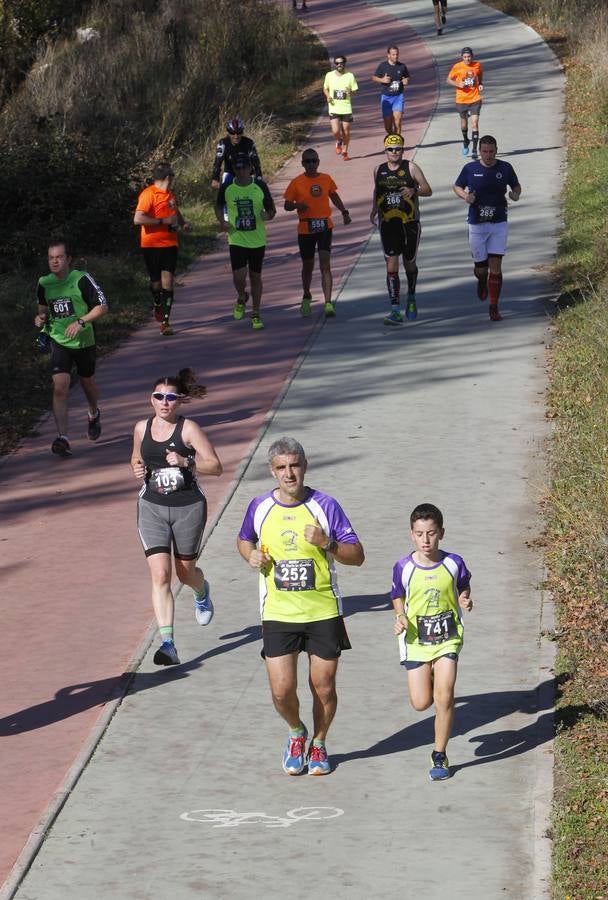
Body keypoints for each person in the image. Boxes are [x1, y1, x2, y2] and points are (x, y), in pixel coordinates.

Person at [237, 436, 365, 776]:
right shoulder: (259, 507)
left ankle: (319, 742)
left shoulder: (326, 506)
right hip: (278, 612)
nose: (289, 473)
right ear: (272, 471)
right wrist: (250, 554)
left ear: (305, 466)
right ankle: (297, 732)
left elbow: (357, 556)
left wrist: (327, 542)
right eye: (281, 467)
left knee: (323, 687)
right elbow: (244, 538)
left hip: (323, 611)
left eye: (294, 465)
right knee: (281, 691)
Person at [131, 368, 223, 666]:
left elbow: (216, 467)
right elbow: (136, 458)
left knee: (185, 573)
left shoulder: (189, 429)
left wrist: (187, 461)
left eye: (170, 398)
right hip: (152, 507)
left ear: (179, 401)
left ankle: (201, 590)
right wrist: (136, 467)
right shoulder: (141, 428)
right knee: (161, 575)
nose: (164, 402)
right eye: (159, 396)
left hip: (188, 507)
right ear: (151, 399)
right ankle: (168, 644)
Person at [391, 503, 473, 781]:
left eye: (431, 533)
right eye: (419, 534)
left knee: (444, 696)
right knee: (420, 702)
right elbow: (397, 595)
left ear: (442, 533)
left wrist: (464, 598)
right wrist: (400, 616)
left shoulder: (454, 563)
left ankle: (440, 754)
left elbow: (463, 585)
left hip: (448, 638)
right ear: (411, 535)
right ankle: (431, 673)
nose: (425, 540)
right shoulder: (403, 567)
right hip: (417, 640)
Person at [35, 240, 108, 458]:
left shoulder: (81, 279)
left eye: (59, 257)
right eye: (51, 258)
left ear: (68, 259)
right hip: (59, 340)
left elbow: (103, 306)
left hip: (84, 341)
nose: (55, 261)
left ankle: (93, 413)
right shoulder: (44, 283)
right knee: (59, 387)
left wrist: (82, 322)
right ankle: (63, 438)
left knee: (87, 382)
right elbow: (43, 309)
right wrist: (40, 318)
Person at [453, 134, 521, 321]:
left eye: (491, 151)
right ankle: (482, 280)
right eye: (485, 151)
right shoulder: (470, 168)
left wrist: (515, 194)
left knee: (496, 266)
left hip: (499, 222)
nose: (488, 155)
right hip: (477, 224)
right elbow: (457, 186)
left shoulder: (505, 168)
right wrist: (465, 196)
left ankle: (494, 306)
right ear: (479, 151)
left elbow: (516, 186)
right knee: (481, 269)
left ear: (496, 151)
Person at [370, 133, 432, 325]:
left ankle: (411, 297)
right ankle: (395, 309)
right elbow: (377, 191)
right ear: (385, 151)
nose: (394, 152)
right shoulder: (378, 170)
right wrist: (374, 209)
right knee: (391, 263)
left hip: (410, 223)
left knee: (409, 263)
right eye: (390, 149)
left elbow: (427, 190)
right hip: (388, 223)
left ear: (403, 150)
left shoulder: (411, 168)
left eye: (398, 149)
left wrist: (414, 190)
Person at [283, 149, 351, 319]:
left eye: (314, 161)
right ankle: (306, 295)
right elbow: (287, 205)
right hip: (305, 228)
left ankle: (328, 303)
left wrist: (344, 212)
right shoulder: (296, 182)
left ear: (318, 162)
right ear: (303, 164)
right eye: (308, 161)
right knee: (308, 266)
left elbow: (333, 195)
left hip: (324, 226)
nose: (311, 164)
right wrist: (297, 206)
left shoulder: (326, 179)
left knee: (325, 264)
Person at [215, 153, 277, 330]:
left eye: (244, 167)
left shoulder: (260, 185)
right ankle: (242, 296)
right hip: (237, 238)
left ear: (250, 168)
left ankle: (256, 313)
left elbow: (272, 210)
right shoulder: (227, 187)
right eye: (238, 168)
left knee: (255, 276)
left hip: (257, 240)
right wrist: (222, 221)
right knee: (239, 276)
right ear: (234, 169)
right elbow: (218, 206)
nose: (241, 171)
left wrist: (267, 215)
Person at [133, 162, 192, 336]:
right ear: (168, 178)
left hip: (170, 244)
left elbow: (175, 211)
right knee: (156, 283)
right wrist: (162, 222)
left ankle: (165, 323)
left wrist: (183, 223)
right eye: (172, 176)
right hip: (151, 245)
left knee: (168, 281)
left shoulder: (170, 195)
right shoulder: (148, 194)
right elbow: (138, 219)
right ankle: (157, 303)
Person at [447, 47, 484, 159]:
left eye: (469, 57)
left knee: (474, 123)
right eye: (465, 57)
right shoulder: (457, 67)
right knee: (464, 123)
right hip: (461, 100)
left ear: (472, 56)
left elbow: (480, 74)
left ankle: (474, 150)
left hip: (475, 98)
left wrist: (480, 83)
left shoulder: (477, 65)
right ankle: (465, 140)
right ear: (462, 57)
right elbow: (448, 80)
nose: (467, 59)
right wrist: (458, 84)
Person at [211, 117, 262, 190]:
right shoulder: (223, 143)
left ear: (242, 132)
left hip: (247, 174)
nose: (236, 136)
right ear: (228, 133)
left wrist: (259, 177)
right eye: (232, 133)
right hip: (230, 173)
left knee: (255, 193)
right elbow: (218, 162)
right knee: (225, 192)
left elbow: (255, 161)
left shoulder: (249, 143)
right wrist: (215, 178)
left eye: (239, 132)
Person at [323, 56, 359, 160]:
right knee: (335, 131)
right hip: (334, 107)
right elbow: (325, 88)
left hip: (346, 108)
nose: (339, 65)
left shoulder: (350, 76)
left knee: (346, 131)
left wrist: (350, 92)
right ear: (335, 64)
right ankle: (339, 141)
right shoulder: (329, 75)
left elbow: (355, 90)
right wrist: (328, 96)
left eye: (341, 63)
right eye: (337, 63)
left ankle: (345, 152)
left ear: (344, 63)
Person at [372, 45, 411, 135]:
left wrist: (406, 80)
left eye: (397, 54)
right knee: (388, 126)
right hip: (386, 97)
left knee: (398, 121)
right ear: (388, 55)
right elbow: (374, 78)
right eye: (393, 54)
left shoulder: (402, 66)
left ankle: (397, 141)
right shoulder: (383, 66)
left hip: (398, 96)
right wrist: (382, 80)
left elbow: (407, 77)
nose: (396, 56)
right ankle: (392, 137)